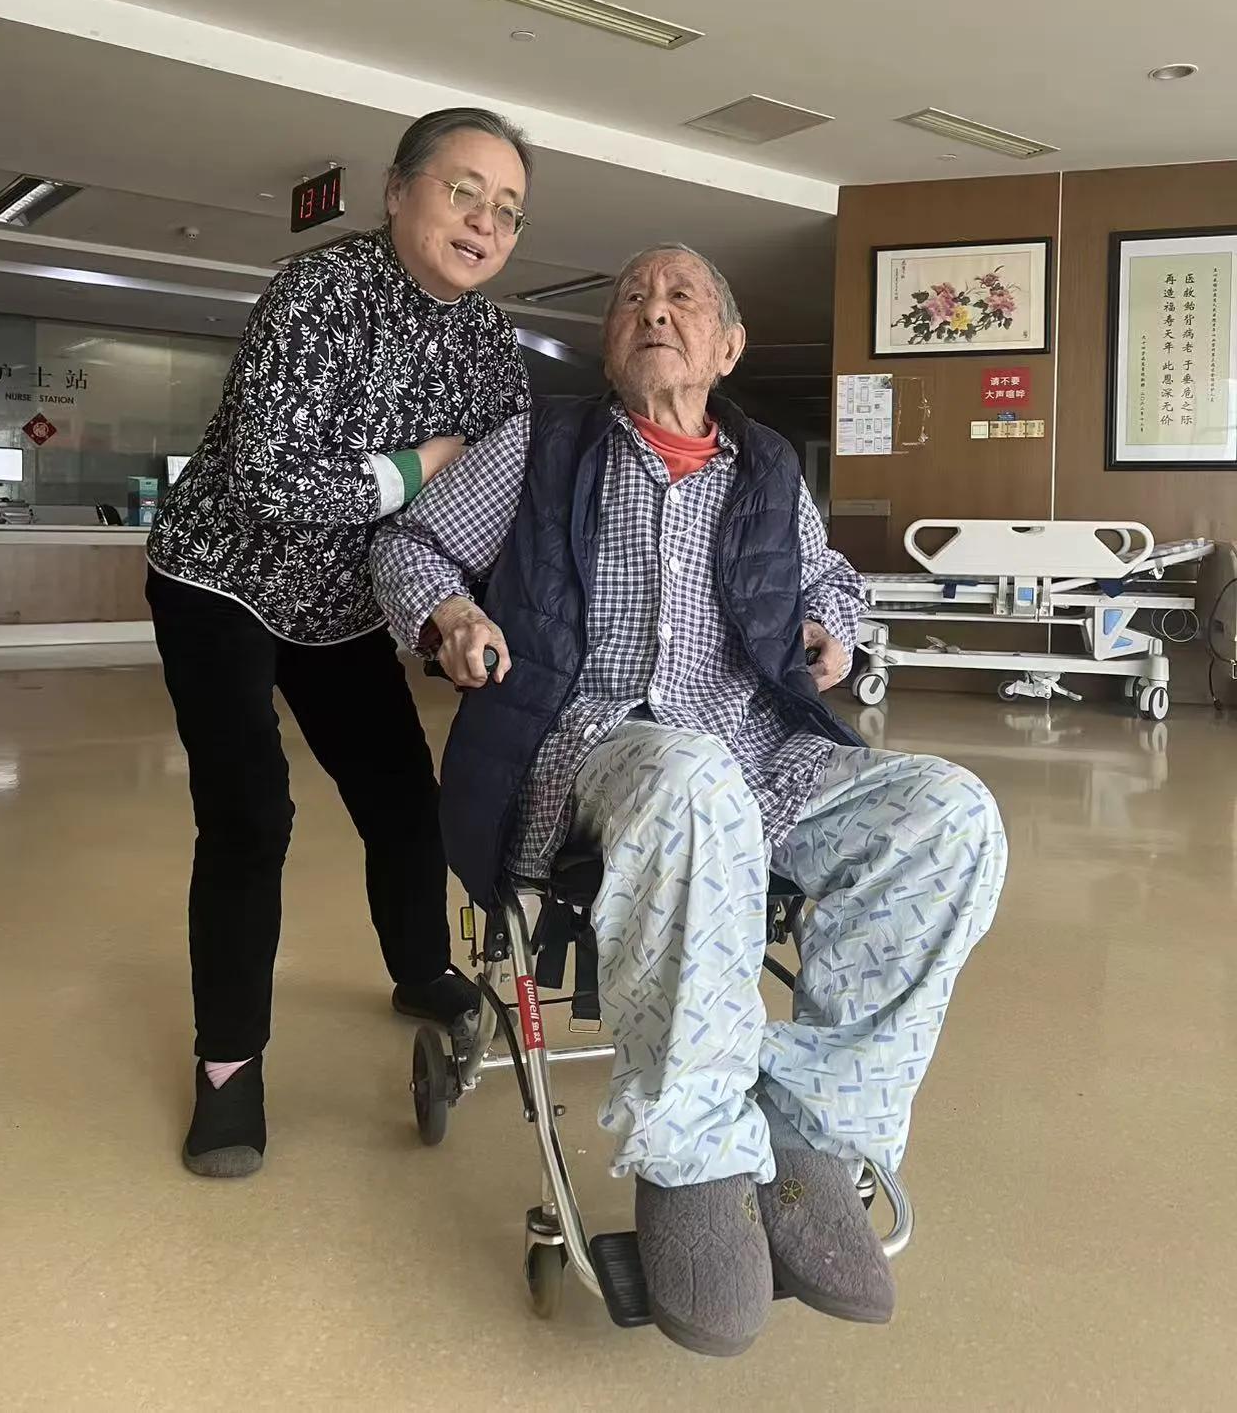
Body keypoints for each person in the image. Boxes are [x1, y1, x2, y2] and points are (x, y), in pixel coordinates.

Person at [371, 243, 1007, 1356]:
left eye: (681, 298)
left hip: (761, 751)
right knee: (690, 775)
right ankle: (697, 1164)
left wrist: (834, 627)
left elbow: (826, 576)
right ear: (609, 339)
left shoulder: (765, 469)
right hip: (590, 749)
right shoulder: (540, 444)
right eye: (630, 296)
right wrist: (453, 616)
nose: (652, 310)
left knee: (948, 813)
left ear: (727, 346)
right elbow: (411, 540)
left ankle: (811, 1134)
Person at [146, 106, 534, 1179]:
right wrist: (421, 464)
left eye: (507, 210)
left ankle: (420, 968)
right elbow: (272, 481)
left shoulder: (490, 344)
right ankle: (229, 1063)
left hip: (342, 604)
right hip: (219, 578)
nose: (484, 221)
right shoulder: (317, 293)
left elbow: (505, 484)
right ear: (398, 192)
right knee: (249, 811)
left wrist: (469, 604)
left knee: (403, 798)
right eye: (463, 191)